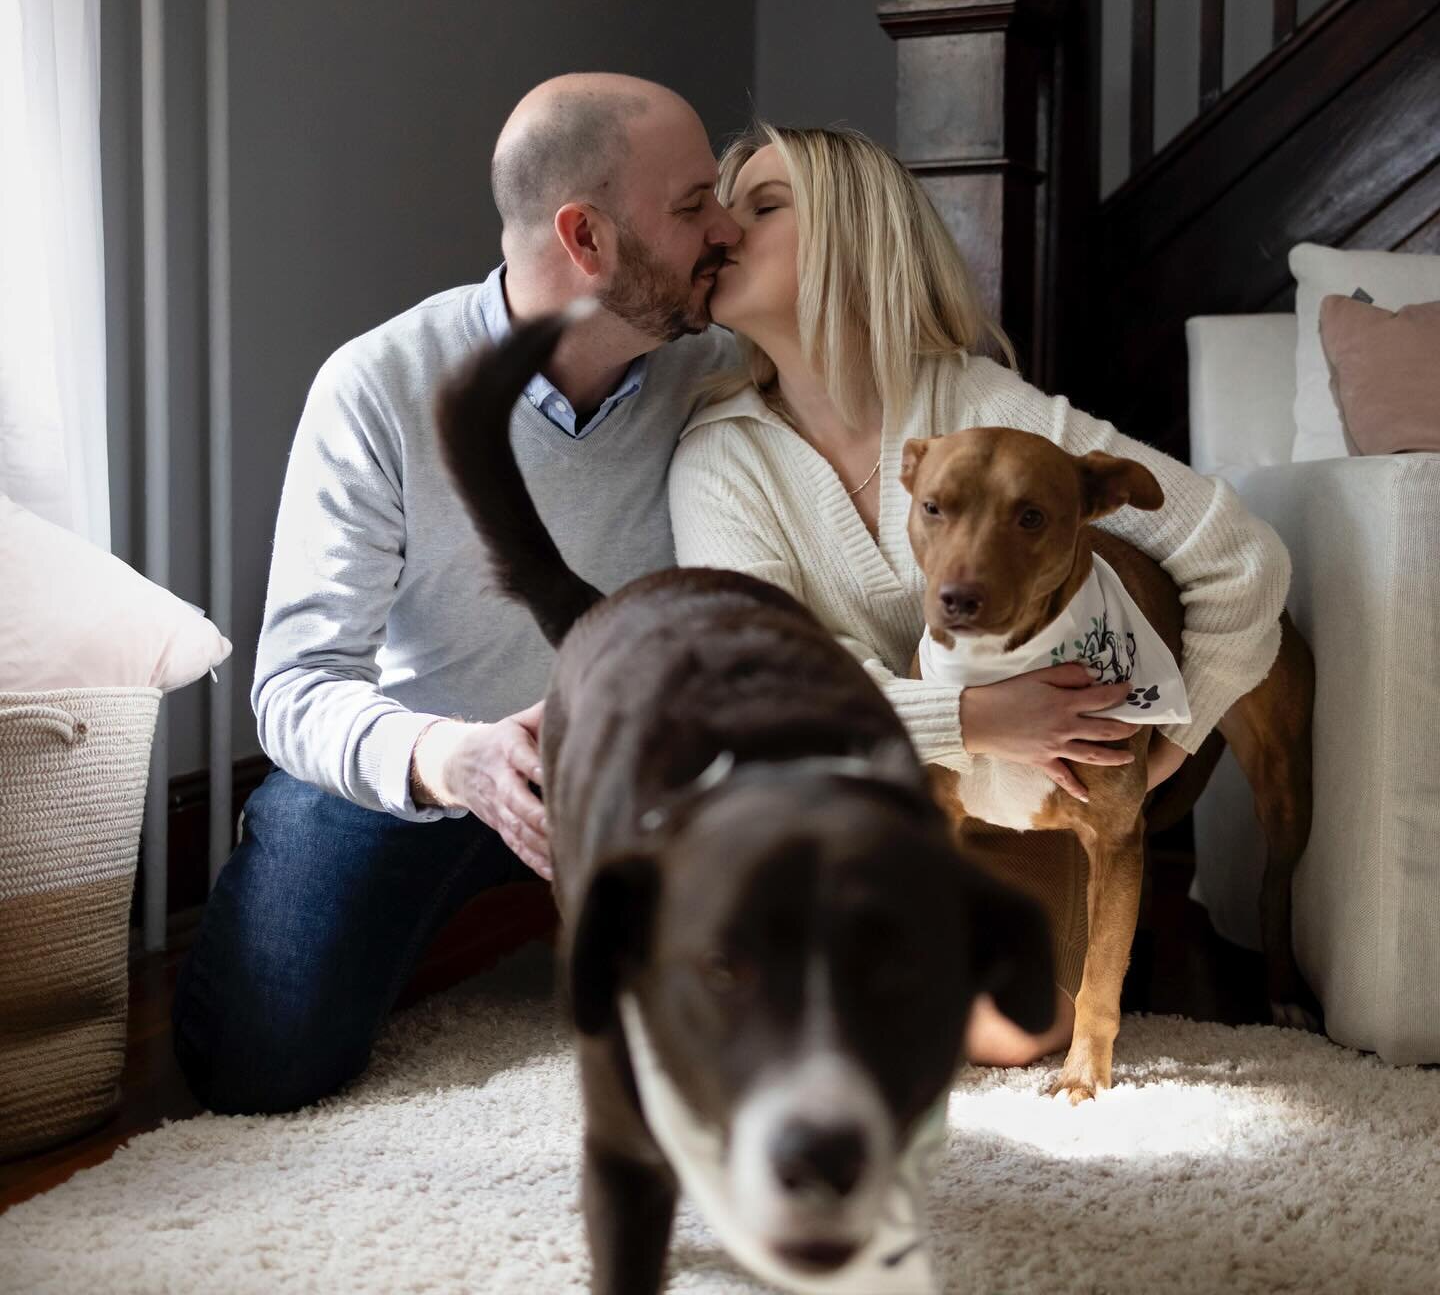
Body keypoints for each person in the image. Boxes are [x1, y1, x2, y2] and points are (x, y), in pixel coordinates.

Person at [171, 74, 742, 1115]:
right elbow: (297, 685)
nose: (728, 226)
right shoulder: (379, 385)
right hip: (422, 769)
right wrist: (454, 760)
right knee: (259, 1067)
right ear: (589, 239)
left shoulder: (724, 372)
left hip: (642, 773)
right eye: (695, 201)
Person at [667, 123, 1291, 1068]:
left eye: (762, 205)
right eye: (719, 207)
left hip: (1023, 794)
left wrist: (1159, 752)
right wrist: (977, 717)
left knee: (1003, 1030)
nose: (720, 228)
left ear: (853, 233)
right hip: (847, 795)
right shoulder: (721, 456)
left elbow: (1240, 559)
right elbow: (766, 686)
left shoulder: (983, 406)